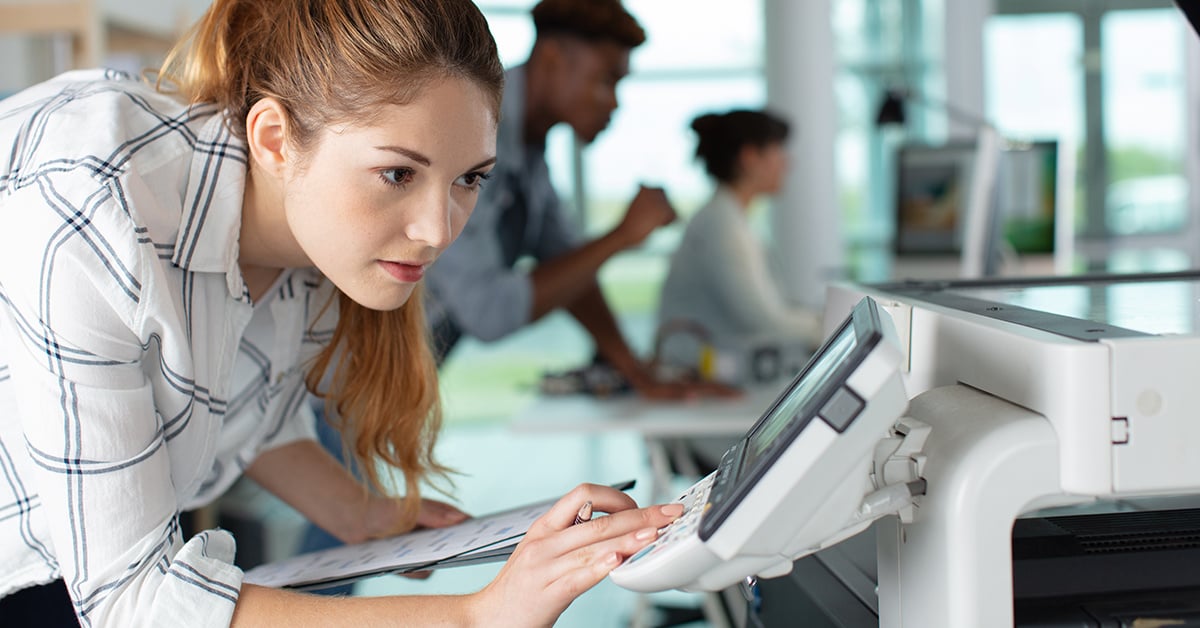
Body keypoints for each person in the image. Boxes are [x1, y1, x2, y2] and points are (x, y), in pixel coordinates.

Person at [0, 1, 683, 626]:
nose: (440, 231)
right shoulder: (96, 212)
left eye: (468, 179)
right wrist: (477, 617)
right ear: (274, 140)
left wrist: (365, 516)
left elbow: (246, 415)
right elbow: (135, 601)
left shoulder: (307, 236)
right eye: (397, 174)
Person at [423, 0, 730, 400]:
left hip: (389, 384)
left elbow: (569, 269)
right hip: (338, 380)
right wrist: (623, 236)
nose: (614, 102)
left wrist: (639, 374)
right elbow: (488, 313)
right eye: (606, 80)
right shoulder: (475, 130)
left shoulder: (529, 156)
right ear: (551, 58)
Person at [655, 109, 823, 380]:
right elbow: (763, 319)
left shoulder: (728, 218)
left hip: (710, 369)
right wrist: (833, 325)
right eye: (778, 151)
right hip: (697, 375)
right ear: (749, 157)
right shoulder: (722, 226)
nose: (787, 163)